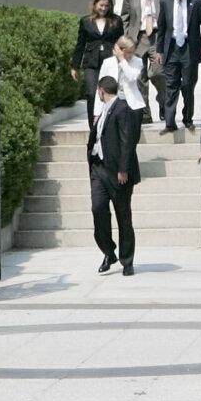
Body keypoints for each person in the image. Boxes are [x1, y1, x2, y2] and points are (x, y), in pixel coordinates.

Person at [86, 74, 141, 275]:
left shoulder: (122, 109)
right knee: (97, 209)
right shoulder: (103, 111)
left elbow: (128, 141)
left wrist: (123, 169)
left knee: (123, 216)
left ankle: (127, 261)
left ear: (101, 90)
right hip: (99, 169)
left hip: (117, 172)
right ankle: (109, 251)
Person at [155, 0, 201, 133]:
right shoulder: (166, 2)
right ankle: (170, 122)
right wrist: (160, 51)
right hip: (171, 49)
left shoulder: (197, 2)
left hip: (189, 48)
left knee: (187, 85)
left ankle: (188, 119)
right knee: (171, 85)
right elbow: (162, 28)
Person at [119, 0, 168, 122]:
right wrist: (127, 37)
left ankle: (163, 102)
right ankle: (145, 113)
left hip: (156, 36)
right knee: (139, 77)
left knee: (158, 72)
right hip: (137, 38)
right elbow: (124, 16)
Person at [70, 0, 121, 126]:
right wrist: (75, 66)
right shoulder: (86, 21)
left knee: (110, 93)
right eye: (101, 5)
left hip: (110, 62)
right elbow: (80, 44)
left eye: (106, 6)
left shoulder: (116, 21)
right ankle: (93, 126)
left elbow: (121, 41)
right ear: (94, 5)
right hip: (91, 63)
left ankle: (109, 124)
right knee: (92, 94)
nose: (103, 9)